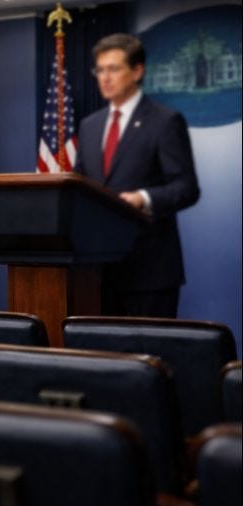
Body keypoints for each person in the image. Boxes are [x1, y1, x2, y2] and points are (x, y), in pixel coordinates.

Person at [73, 33, 200, 318]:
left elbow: (186, 187)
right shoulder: (89, 126)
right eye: (100, 70)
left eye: (113, 69)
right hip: (96, 272)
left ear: (137, 71)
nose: (105, 78)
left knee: (148, 347)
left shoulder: (165, 121)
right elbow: (81, 184)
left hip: (149, 272)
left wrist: (144, 198)